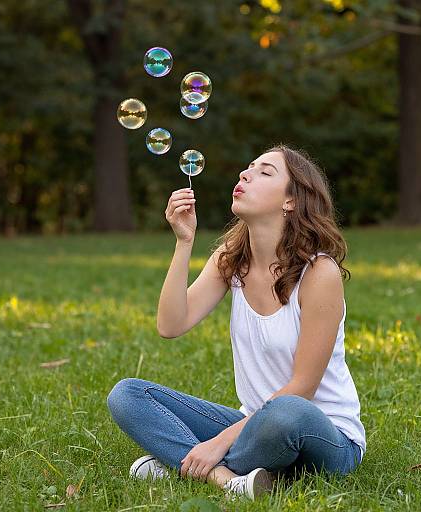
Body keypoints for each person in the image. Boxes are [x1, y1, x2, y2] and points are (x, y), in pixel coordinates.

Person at [107, 144, 366, 501]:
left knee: (285, 413)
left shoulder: (319, 273)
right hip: (251, 427)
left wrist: (216, 442)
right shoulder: (231, 259)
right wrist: (184, 242)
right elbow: (170, 324)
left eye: (265, 172)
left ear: (291, 201)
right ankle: (224, 479)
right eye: (248, 167)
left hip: (324, 436)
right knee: (128, 394)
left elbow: (304, 388)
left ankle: (178, 463)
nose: (245, 174)